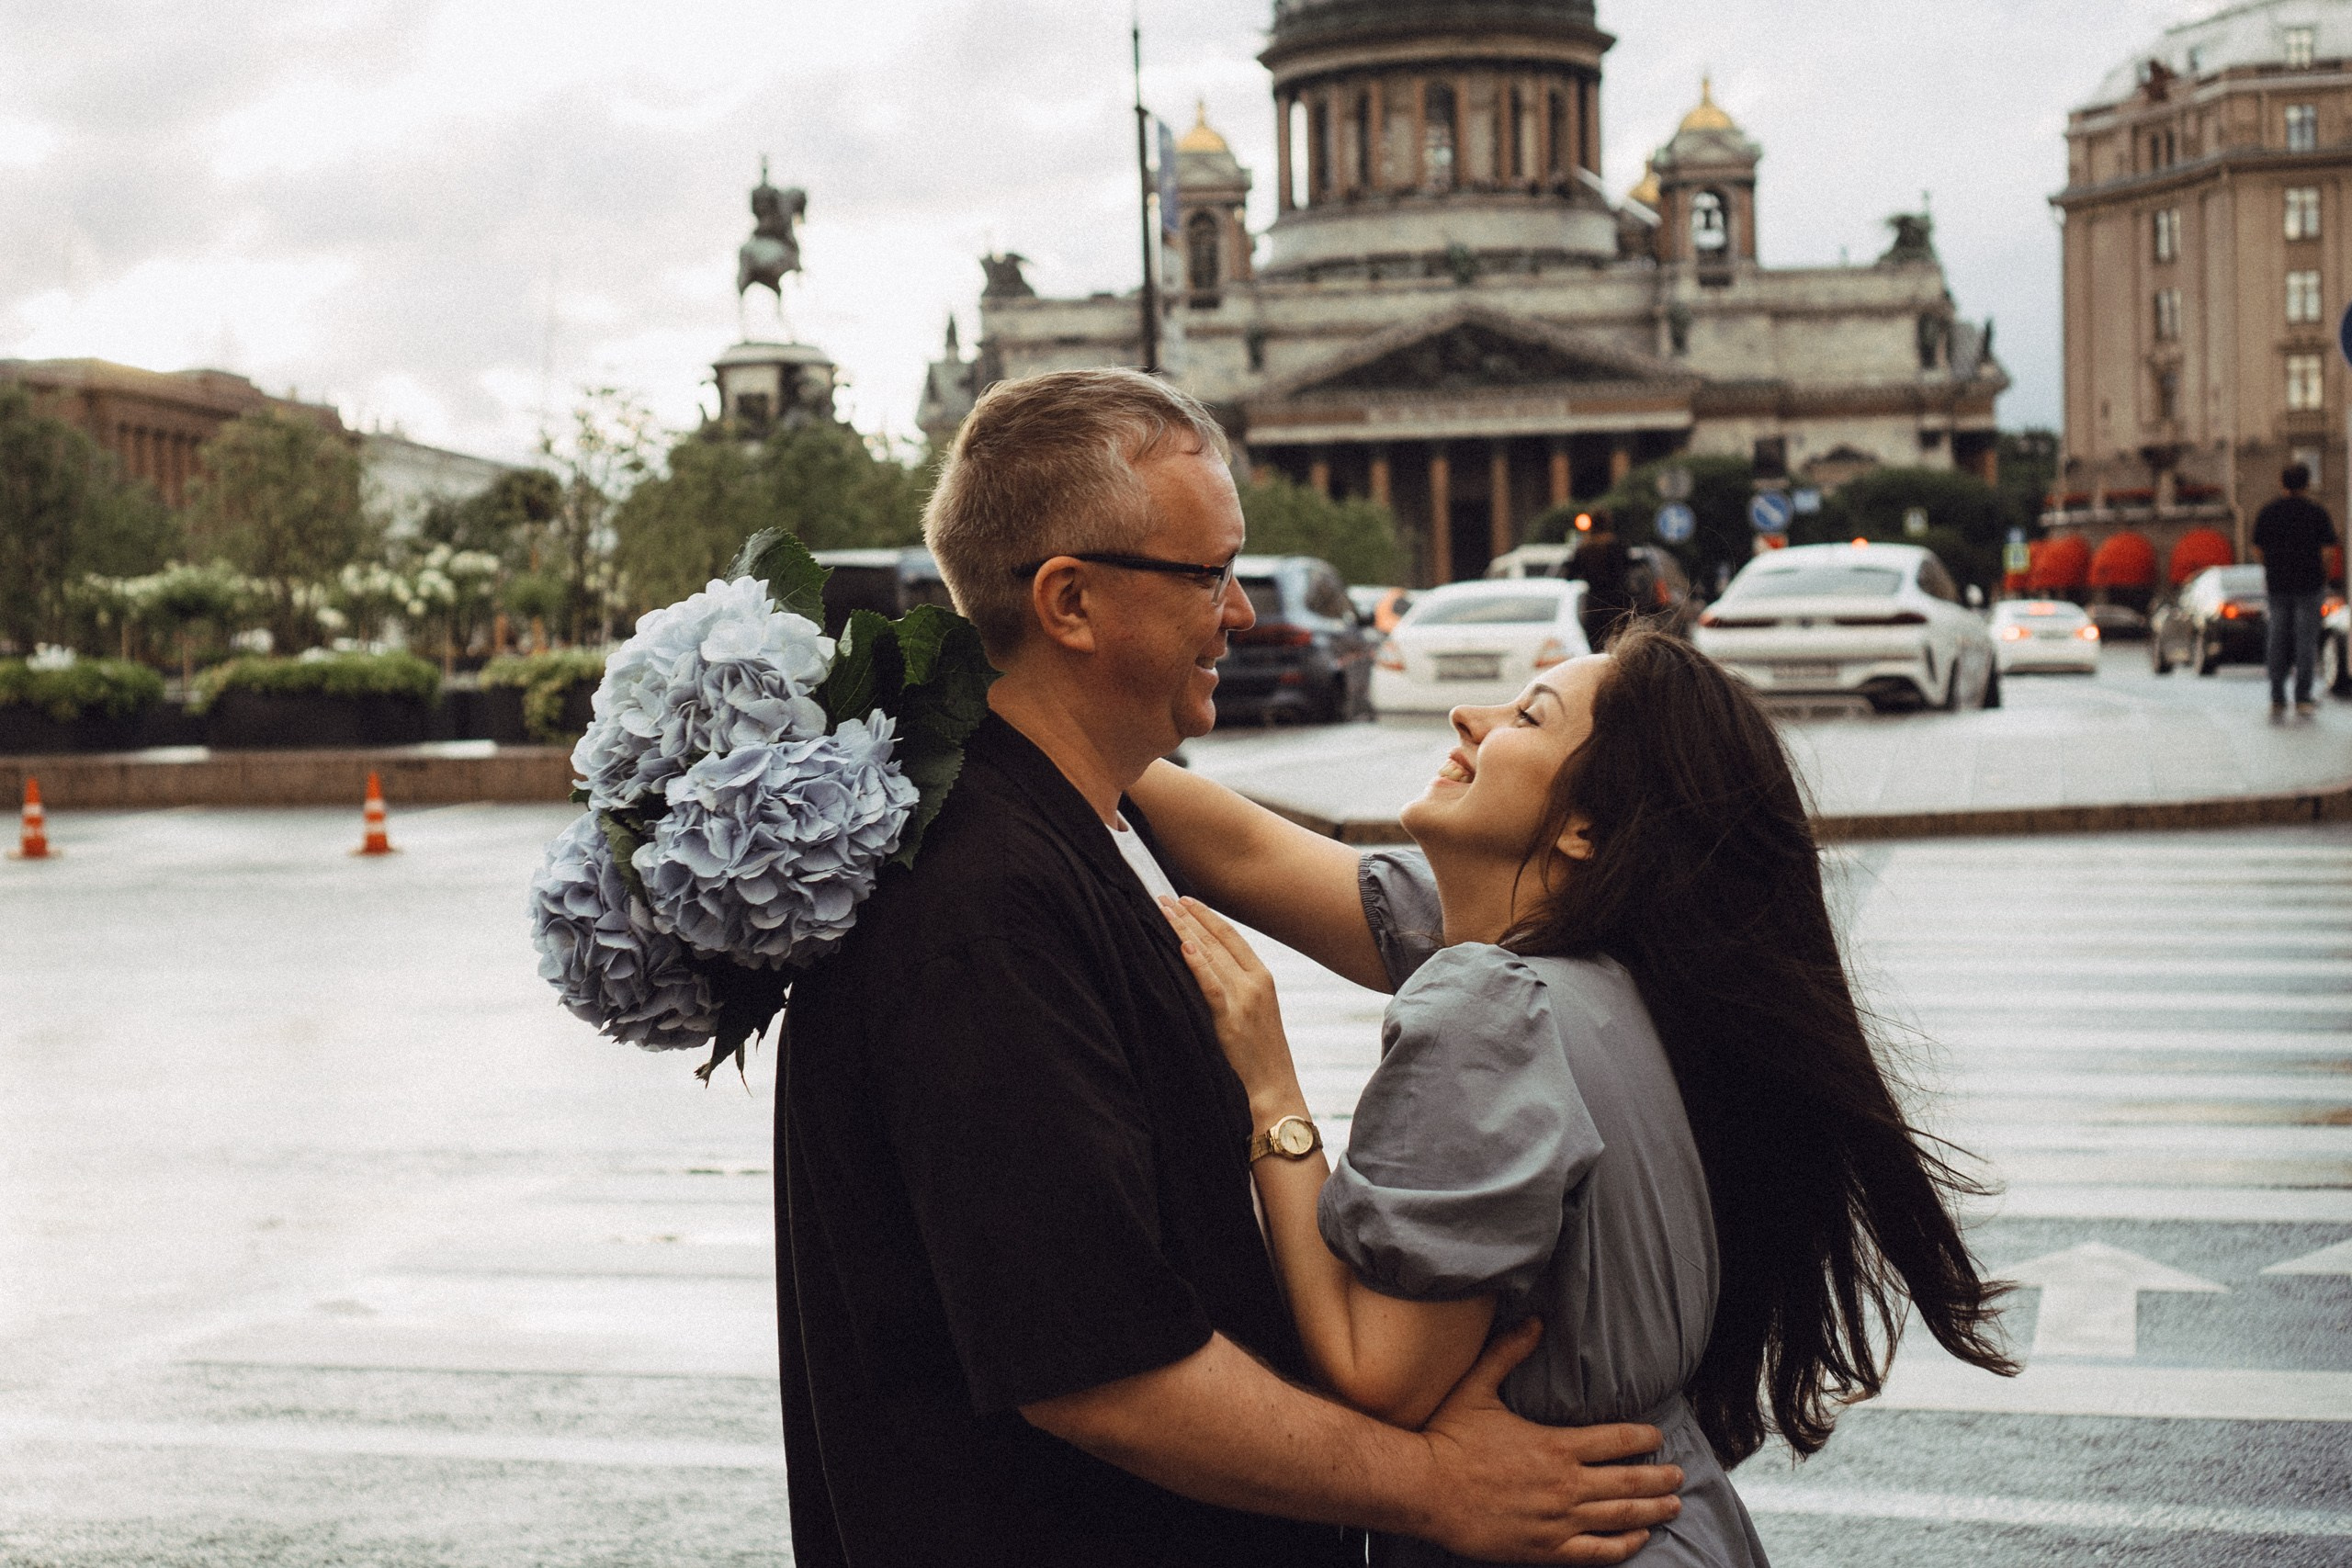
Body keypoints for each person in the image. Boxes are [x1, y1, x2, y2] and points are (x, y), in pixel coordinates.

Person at [775, 367, 1686, 1567]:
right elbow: (1100, 1373)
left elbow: (1310, 866)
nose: (1245, 611)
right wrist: (1434, 1484)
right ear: (1072, 601)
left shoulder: (1083, 822)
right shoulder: (984, 909)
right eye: (1210, 573)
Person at [1131, 625, 2019, 1566]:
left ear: (1585, 829)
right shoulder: (1607, 957)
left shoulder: (1489, 1008)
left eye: (1525, 716)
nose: (1465, 717)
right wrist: (1039, 708)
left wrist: (1272, 1092)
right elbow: (1243, 851)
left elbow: (1374, 1371)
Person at [2251, 463, 2341, 716]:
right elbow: (2327, 552)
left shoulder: (2269, 512)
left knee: (2277, 638)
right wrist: (2322, 577)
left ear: (2281, 483)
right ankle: (2302, 696)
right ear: (2307, 484)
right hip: (2310, 585)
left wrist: (2274, 566)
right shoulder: (2317, 513)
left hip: (2278, 585)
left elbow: (2258, 549)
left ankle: (2277, 695)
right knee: (2306, 641)